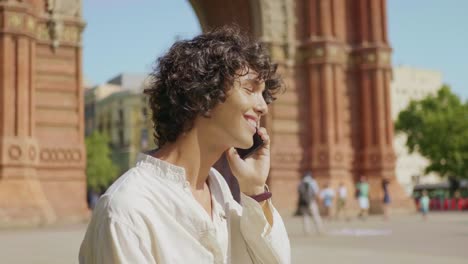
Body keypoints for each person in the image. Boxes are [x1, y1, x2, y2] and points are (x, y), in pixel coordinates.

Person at [79, 26, 291, 263]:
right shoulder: (128, 209)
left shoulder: (219, 192)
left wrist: (255, 190)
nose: (263, 106)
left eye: (263, 95)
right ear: (203, 94)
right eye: (251, 89)